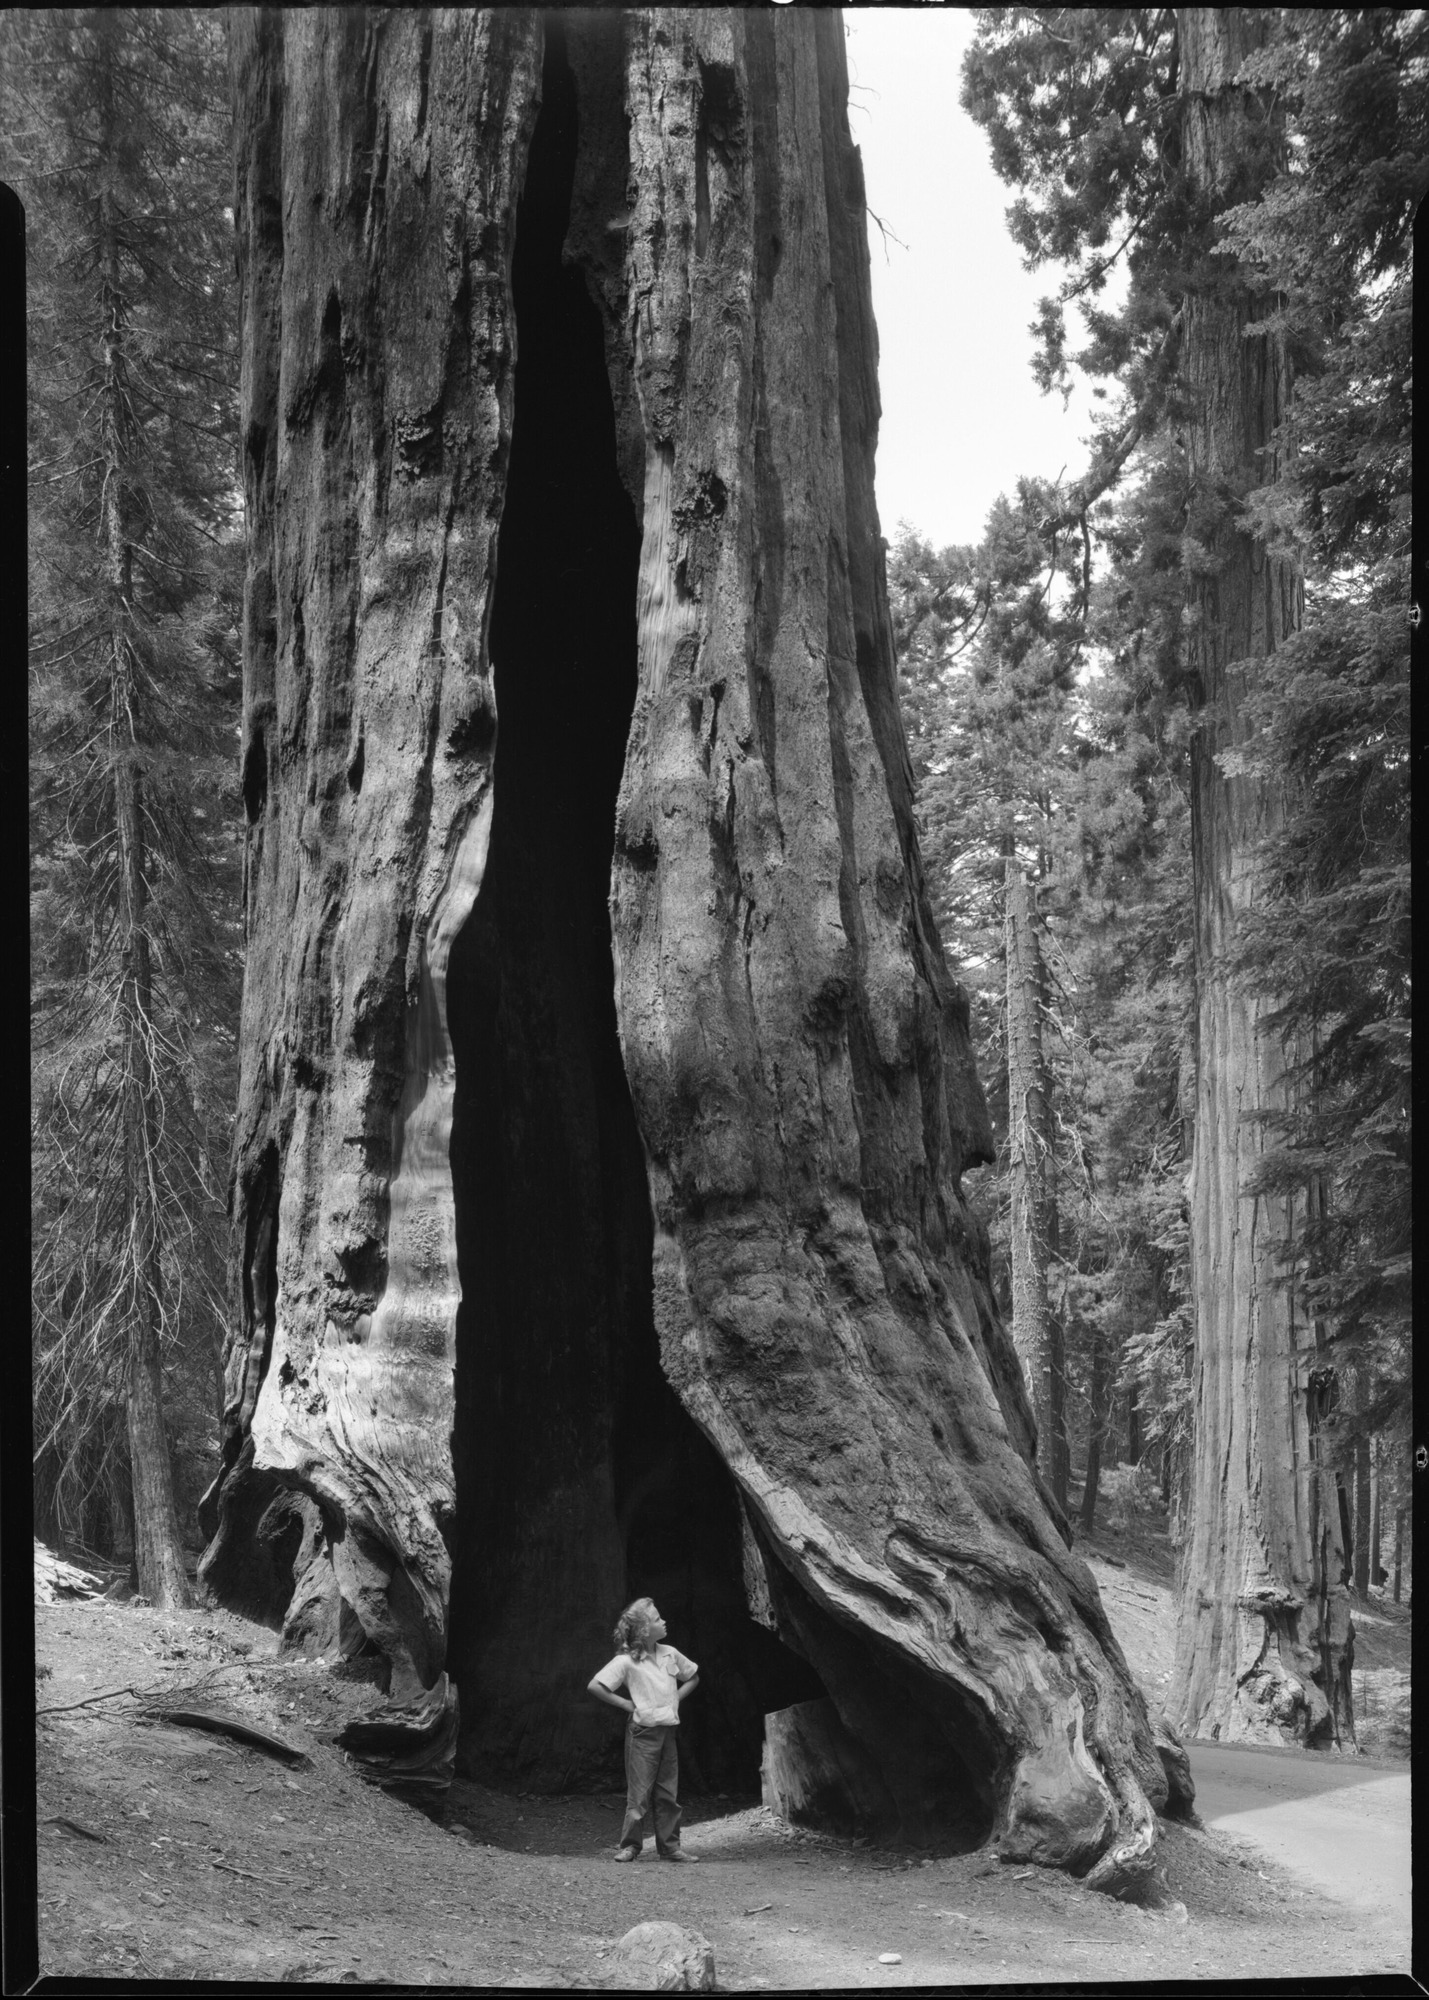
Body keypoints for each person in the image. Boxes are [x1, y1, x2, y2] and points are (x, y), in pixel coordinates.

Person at [587, 1597, 700, 1862]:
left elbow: (692, 1677)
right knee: (639, 1794)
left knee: (668, 1793)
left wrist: (674, 1699)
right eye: (658, 1619)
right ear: (644, 1630)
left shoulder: (670, 1653)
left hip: (667, 1732)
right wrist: (626, 1704)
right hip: (642, 1733)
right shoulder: (627, 1661)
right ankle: (630, 1846)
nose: (664, 1621)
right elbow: (595, 1685)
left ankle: (670, 1848)